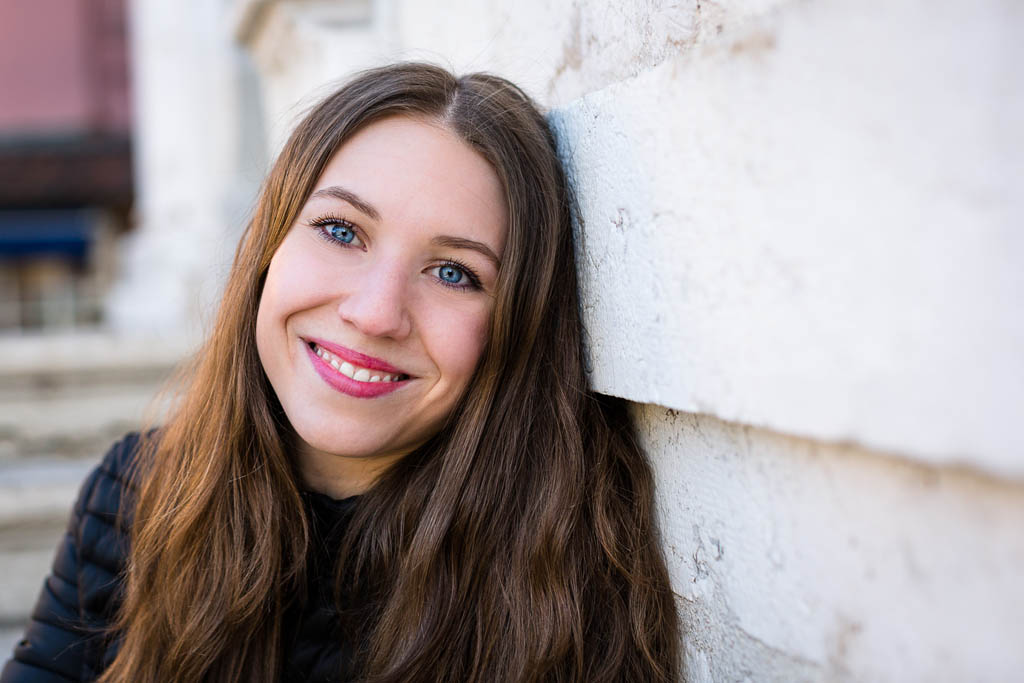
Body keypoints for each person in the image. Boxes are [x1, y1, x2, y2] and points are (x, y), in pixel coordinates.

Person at [1, 62, 679, 682]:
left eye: (454, 272)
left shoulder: (561, 578)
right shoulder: (137, 494)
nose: (375, 312)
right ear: (269, 246)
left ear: (518, 329)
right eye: (342, 231)